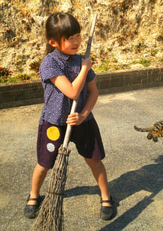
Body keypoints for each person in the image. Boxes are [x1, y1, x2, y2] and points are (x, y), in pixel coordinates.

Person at [24, 12, 113, 220]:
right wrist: (84, 69)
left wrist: (83, 114)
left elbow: (93, 92)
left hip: (82, 121)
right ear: (53, 42)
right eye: (69, 38)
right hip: (54, 123)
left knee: (95, 160)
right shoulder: (49, 64)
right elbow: (72, 92)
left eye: (77, 36)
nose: (75, 42)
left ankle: (106, 196)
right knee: (44, 164)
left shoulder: (81, 61)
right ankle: (34, 195)